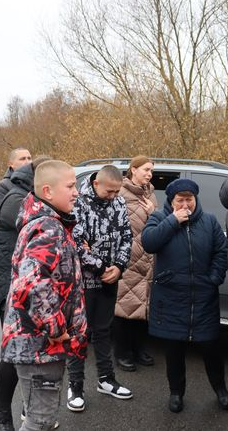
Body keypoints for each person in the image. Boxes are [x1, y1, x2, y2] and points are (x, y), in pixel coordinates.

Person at [0, 160, 87, 431]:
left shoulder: (45, 223)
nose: (77, 192)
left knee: (40, 419)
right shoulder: (48, 228)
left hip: (36, 344)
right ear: (47, 191)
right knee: (40, 422)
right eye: (71, 186)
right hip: (40, 346)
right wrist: (55, 328)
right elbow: (32, 284)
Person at [142, 178, 228, 413]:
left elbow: (221, 251)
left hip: (203, 297)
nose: (185, 204)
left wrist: (214, 278)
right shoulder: (160, 219)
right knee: (174, 352)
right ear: (171, 202)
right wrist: (172, 221)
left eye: (188, 199)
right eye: (179, 200)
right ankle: (176, 393)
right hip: (171, 298)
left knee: (212, 349)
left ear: (195, 199)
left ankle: (220, 389)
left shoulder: (209, 221)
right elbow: (148, 243)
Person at [66, 165, 133, 412]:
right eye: (110, 191)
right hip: (84, 280)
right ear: (96, 184)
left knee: (104, 330)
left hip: (110, 278)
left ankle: (106, 379)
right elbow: (76, 241)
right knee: (79, 333)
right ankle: (75, 386)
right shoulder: (78, 203)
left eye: (117, 192)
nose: (114, 196)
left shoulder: (119, 203)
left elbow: (127, 235)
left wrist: (119, 266)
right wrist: (102, 267)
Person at [0, 156, 51, 431]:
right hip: (13, 285)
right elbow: (10, 219)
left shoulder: (47, 202)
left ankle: (32, 410)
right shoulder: (13, 194)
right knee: (13, 354)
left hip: (42, 288)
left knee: (37, 354)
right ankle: (3, 414)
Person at [113, 156, 158, 372]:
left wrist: (153, 213)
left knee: (142, 309)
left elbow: (158, 223)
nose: (149, 174)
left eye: (151, 170)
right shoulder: (121, 194)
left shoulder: (150, 193)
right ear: (133, 170)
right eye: (146, 170)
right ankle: (122, 353)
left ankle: (138, 350)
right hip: (128, 259)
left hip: (148, 260)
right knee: (124, 308)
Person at [0, 147, 32, 217]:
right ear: (11, 164)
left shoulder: (37, 182)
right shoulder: (3, 186)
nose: (27, 162)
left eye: (29, 158)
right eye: (22, 159)